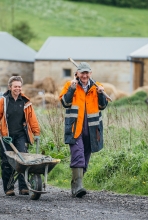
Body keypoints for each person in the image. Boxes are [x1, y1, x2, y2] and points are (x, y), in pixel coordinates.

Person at [59, 62, 108, 198]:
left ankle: (75, 185)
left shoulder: (96, 86)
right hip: (75, 127)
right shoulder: (70, 85)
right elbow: (64, 103)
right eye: (82, 73)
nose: (85, 75)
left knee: (85, 157)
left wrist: (101, 94)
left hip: (92, 129)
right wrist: (72, 90)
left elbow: (102, 106)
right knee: (78, 154)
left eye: (87, 73)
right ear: (78, 73)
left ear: (90, 73)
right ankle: (79, 186)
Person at [0, 76, 40, 196]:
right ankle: (9, 188)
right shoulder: (4, 101)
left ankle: (24, 187)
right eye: (15, 86)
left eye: (19, 86)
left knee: (22, 160)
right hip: (6, 135)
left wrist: (36, 133)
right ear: (10, 87)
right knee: (7, 162)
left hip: (20, 135)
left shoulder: (25, 101)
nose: (17, 89)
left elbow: (32, 119)